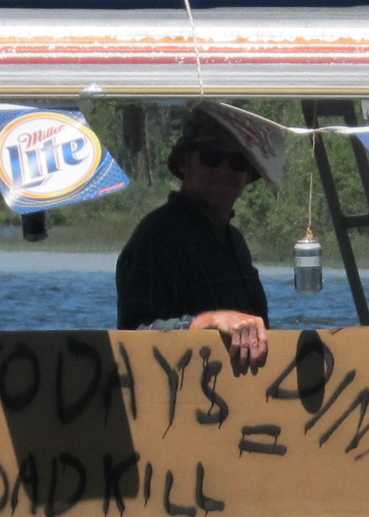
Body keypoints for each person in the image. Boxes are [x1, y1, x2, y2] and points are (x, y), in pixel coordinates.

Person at [115, 105, 271, 365]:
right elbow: (133, 336)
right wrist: (208, 322)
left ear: (247, 173)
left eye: (237, 162)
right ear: (184, 163)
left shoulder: (236, 242)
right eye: (211, 157)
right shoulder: (157, 237)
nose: (225, 169)